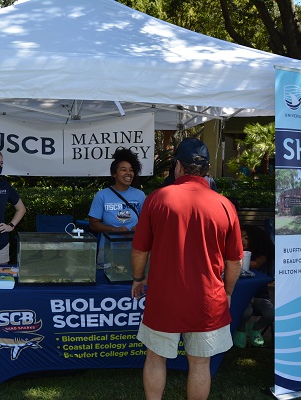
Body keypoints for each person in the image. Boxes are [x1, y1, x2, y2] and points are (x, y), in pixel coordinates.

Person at [131, 138, 243, 400]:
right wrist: (227, 292)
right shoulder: (225, 205)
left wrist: (138, 278)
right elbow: (235, 261)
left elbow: (139, 250)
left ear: (178, 166)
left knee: (156, 358)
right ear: (206, 170)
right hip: (207, 299)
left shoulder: (157, 198)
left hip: (164, 297)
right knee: (200, 364)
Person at [88, 148, 145, 264]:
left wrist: (140, 227)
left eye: (131, 170)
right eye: (123, 170)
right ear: (114, 174)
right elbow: (93, 224)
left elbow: (148, 221)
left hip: (134, 250)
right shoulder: (101, 195)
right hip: (108, 251)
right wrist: (114, 229)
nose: (129, 173)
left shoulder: (140, 195)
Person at [232, 224, 274, 348]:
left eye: (246, 237)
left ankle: (256, 329)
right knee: (246, 312)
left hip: (260, 296)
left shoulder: (262, 256)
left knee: (270, 313)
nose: (242, 241)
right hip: (243, 296)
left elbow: (255, 264)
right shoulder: (233, 254)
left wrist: (236, 261)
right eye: (239, 237)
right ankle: (241, 329)